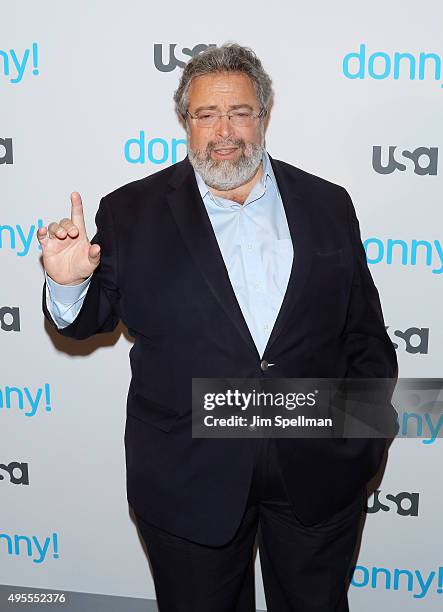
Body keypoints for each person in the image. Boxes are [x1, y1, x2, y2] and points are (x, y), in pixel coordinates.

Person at [38, 43, 398, 611]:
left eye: (240, 113)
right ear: (186, 121)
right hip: (189, 479)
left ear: (264, 115)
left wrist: (361, 441)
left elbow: (365, 335)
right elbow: (87, 323)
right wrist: (66, 282)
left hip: (317, 471)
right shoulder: (131, 212)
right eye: (207, 115)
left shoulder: (327, 203)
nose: (224, 131)